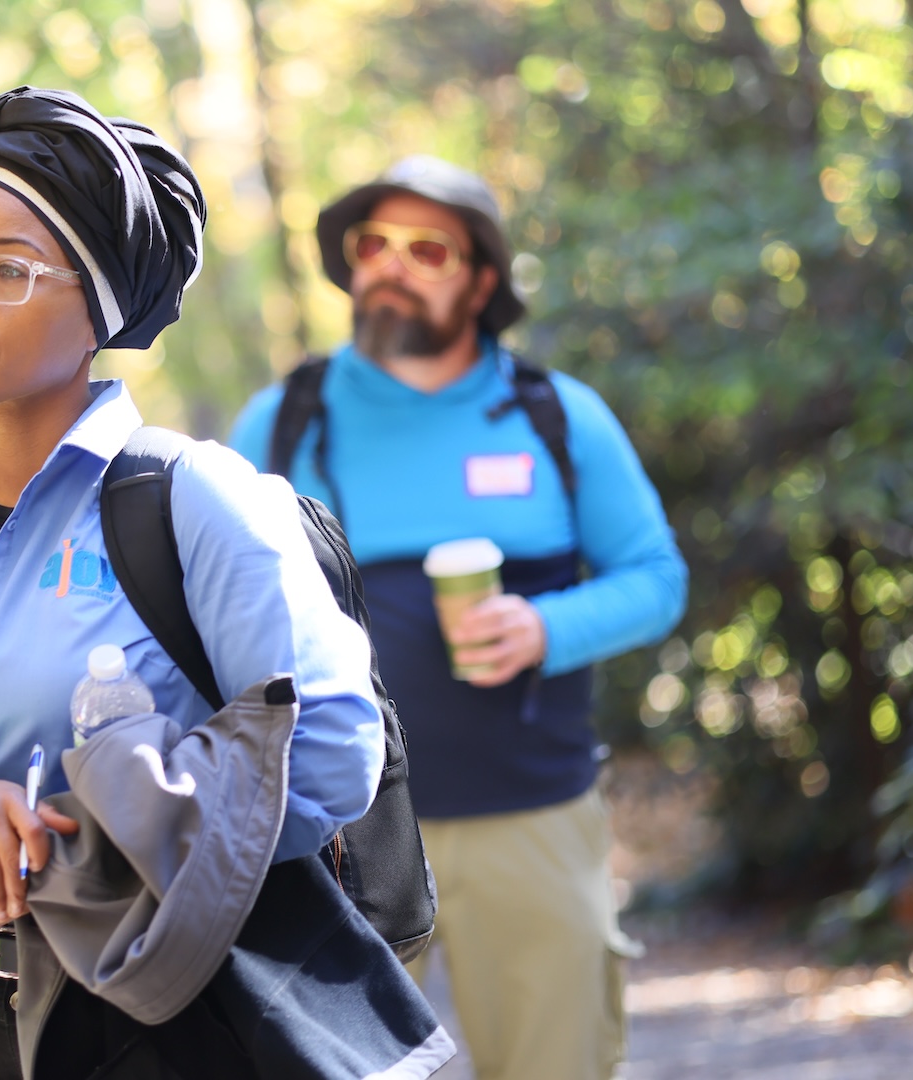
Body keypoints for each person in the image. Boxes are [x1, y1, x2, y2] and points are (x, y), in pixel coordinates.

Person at [0, 87, 391, 1078]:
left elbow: (331, 755)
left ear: (98, 310)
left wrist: (55, 862)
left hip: (166, 1017)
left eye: (8, 269)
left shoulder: (191, 500)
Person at [229, 157, 689, 1080]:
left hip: (531, 817)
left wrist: (546, 628)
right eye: (374, 244)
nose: (392, 265)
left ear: (482, 282)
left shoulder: (556, 416)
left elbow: (656, 579)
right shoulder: (282, 425)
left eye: (427, 249)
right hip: (333, 831)